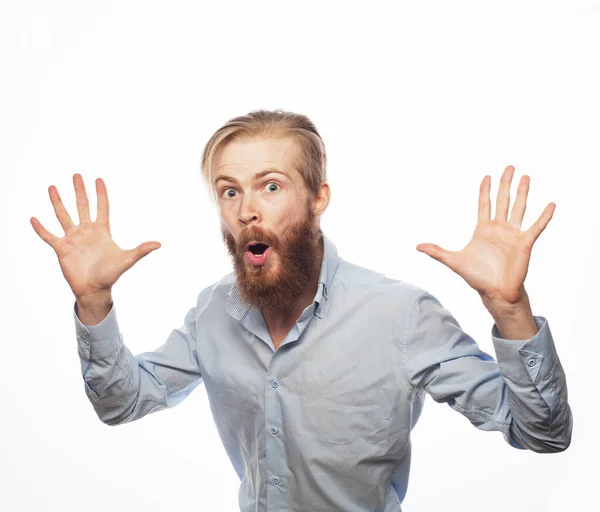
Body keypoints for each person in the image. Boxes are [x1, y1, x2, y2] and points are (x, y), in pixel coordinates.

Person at [31, 110, 572, 512]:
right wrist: (94, 303)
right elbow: (122, 403)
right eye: (228, 191)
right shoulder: (212, 313)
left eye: (271, 186)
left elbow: (544, 433)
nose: (246, 210)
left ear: (318, 198)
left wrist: (510, 309)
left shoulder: (400, 317)